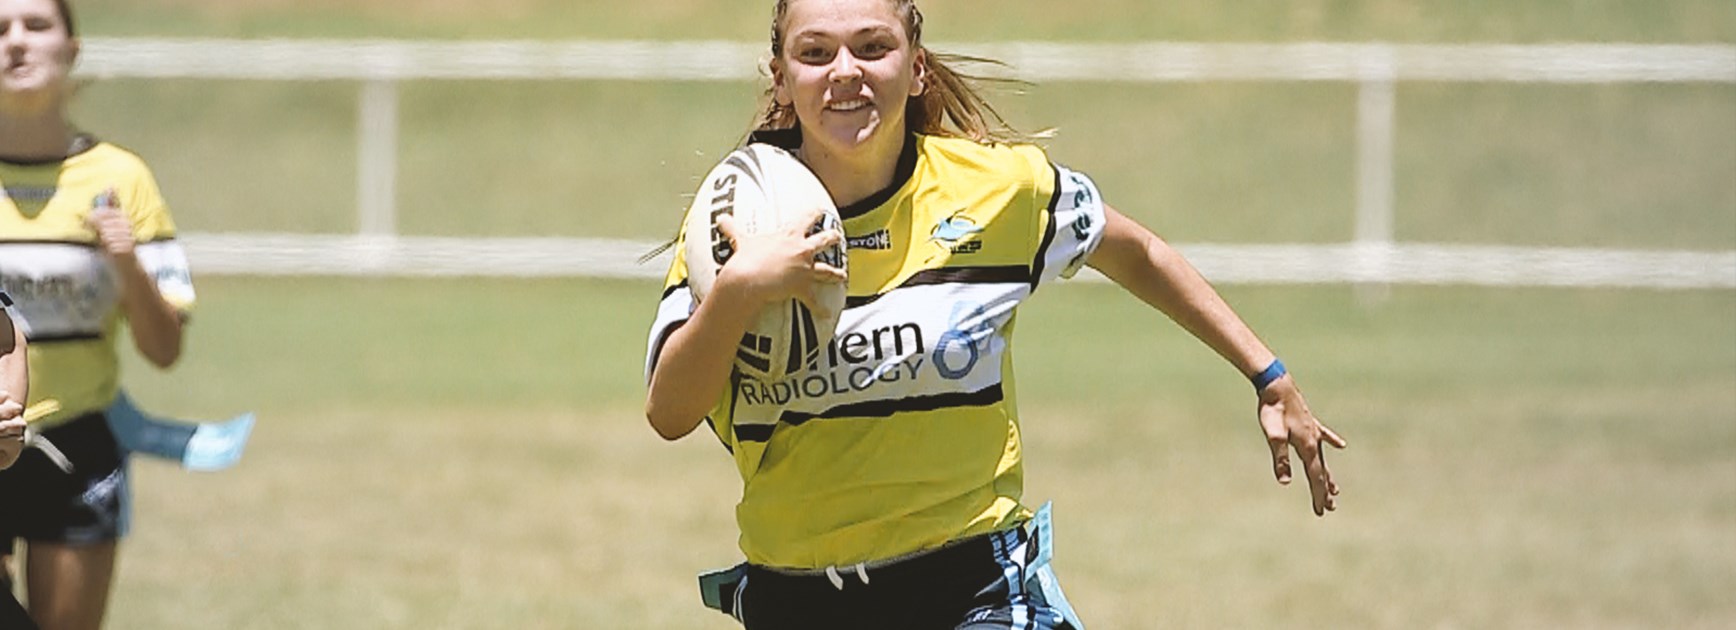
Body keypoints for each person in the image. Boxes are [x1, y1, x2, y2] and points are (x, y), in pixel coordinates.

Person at [644, 1, 1348, 628]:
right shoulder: (730, 222)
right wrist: (738, 291)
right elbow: (669, 412)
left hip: (975, 588)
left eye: (873, 47)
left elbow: (1136, 253)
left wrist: (1268, 375)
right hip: (798, 598)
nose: (846, 72)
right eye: (816, 52)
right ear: (781, 77)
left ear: (916, 68)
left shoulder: (997, 191)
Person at [0, 0, 197, 628]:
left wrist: (128, 266)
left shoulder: (121, 177)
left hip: (74, 444)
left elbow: (164, 349)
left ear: (72, 48)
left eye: (36, 25)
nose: (16, 42)